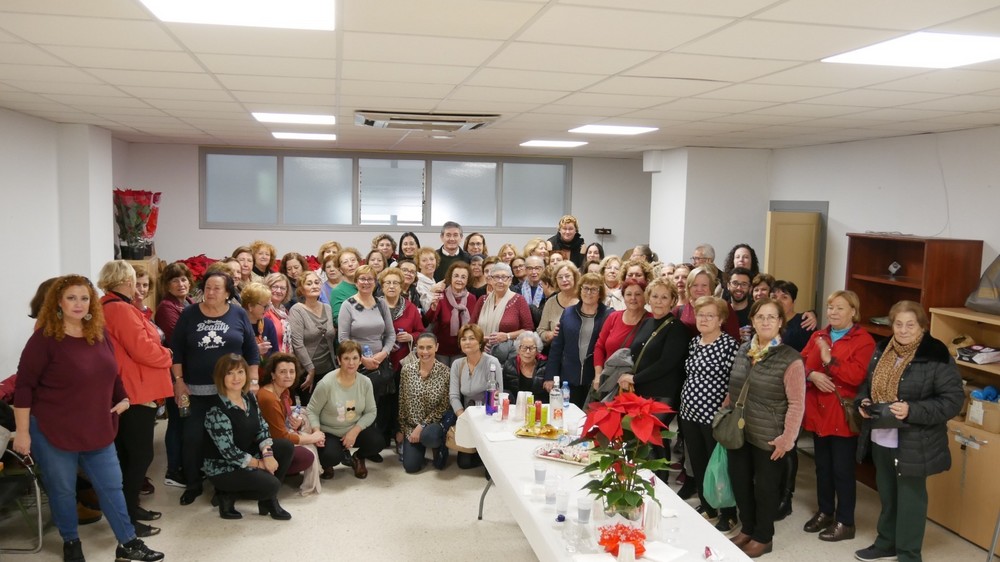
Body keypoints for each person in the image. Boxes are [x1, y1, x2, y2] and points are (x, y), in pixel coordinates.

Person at [12, 275, 164, 562]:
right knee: (63, 490)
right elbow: (24, 387)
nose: (79, 304)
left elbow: (112, 372)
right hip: (53, 429)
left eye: (84, 298)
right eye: (71, 298)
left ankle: (128, 542)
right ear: (58, 302)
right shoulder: (44, 339)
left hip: (97, 426)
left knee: (111, 485)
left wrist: (123, 397)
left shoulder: (99, 333)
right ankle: (71, 542)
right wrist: (22, 432)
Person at [853, 301, 963, 562]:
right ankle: (886, 543)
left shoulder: (936, 355)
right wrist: (863, 403)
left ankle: (909, 554)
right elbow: (865, 386)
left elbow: (953, 400)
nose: (903, 330)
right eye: (898, 324)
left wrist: (912, 410)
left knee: (912, 500)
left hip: (915, 441)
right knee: (888, 494)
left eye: (910, 325)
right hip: (881, 435)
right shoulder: (883, 349)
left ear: (922, 327)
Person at [98, 261, 174, 537]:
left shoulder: (111, 306)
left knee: (130, 456)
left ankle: (130, 508)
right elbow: (144, 349)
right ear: (127, 282)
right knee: (138, 457)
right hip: (135, 391)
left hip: (130, 388)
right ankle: (127, 517)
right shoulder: (119, 309)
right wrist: (168, 355)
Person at [171, 270, 260, 506]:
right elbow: (176, 350)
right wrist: (178, 381)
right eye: (207, 288)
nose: (210, 292)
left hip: (231, 392)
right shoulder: (189, 314)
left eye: (216, 288)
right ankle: (193, 483)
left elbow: (251, 351)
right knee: (192, 438)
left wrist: (253, 382)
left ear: (228, 293)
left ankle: (225, 485)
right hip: (196, 392)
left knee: (231, 439)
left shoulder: (238, 313)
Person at [727, 297, 805, 559]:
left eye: (772, 317)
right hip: (739, 431)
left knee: (765, 488)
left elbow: (797, 404)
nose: (765, 321)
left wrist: (787, 439)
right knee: (740, 482)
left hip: (770, 436)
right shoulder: (743, 350)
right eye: (760, 316)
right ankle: (747, 528)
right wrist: (723, 414)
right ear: (752, 320)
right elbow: (735, 387)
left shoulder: (790, 359)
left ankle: (763, 536)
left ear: (781, 322)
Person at [800, 290, 875, 543]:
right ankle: (825, 512)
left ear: (853, 311)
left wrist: (828, 360)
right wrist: (812, 375)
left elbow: (857, 376)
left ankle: (846, 522)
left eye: (840, 308)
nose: (833, 312)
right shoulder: (819, 334)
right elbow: (799, 362)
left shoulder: (864, 340)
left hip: (842, 415)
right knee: (822, 467)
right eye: (831, 307)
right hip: (818, 413)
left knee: (842, 470)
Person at [203, 354, 293, 521]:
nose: (236, 378)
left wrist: (268, 454)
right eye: (230, 373)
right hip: (223, 467)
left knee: (285, 446)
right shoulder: (216, 409)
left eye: (240, 372)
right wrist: (260, 464)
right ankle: (226, 494)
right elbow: (229, 452)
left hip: (245, 453)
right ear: (220, 377)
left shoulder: (249, 397)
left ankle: (268, 501)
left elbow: (262, 427)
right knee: (271, 484)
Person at [679, 296, 740, 533]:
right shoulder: (694, 342)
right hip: (689, 412)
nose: (703, 319)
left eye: (710, 315)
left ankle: (728, 512)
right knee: (699, 461)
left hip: (715, 416)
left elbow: (734, 382)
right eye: (700, 314)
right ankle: (709, 506)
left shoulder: (729, 345)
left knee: (719, 465)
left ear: (721, 319)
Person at [615, 279, 689, 473]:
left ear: (673, 300)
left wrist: (634, 379)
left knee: (655, 438)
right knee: (639, 439)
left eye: (664, 297)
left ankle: (661, 481)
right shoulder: (647, 322)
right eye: (655, 296)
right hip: (641, 391)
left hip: (662, 394)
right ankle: (642, 477)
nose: (658, 301)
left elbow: (666, 364)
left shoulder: (677, 328)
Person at [338, 265, 396, 451]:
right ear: (356, 282)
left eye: (370, 279)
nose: (366, 282)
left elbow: (391, 335)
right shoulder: (348, 305)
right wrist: (361, 360)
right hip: (356, 365)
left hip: (380, 363)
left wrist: (383, 354)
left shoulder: (381, 304)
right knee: (357, 408)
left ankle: (371, 446)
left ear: (375, 282)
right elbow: (343, 338)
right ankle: (354, 444)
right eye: (362, 279)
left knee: (378, 406)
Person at [307, 340, 383, 480]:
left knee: (378, 441)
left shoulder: (365, 382)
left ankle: (358, 458)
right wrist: (316, 431)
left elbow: (371, 411)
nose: (351, 363)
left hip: (353, 428)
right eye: (346, 358)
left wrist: (355, 431)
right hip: (330, 431)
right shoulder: (326, 383)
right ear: (339, 360)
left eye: (355, 358)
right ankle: (329, 463)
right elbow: (312, 410)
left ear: (361, 360)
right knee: (331, 456)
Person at [256, 353, 325, 495]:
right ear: (273, 375)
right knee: (307, 453)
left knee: (306, 419)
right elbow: (281, 436)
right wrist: (313, 437)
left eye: (291, 371)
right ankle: (277, 474)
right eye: (282, 372)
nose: (288, 375)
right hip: (265, 445)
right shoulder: (268, 398)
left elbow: (289, 417)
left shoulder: (284, 391)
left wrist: (298, 423)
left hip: (280, 434)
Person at [155, 262, 195, 488]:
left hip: (190, 374)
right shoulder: (166, 308)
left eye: (184, 279)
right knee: (178, 422)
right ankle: (173, 470)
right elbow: (181, 339)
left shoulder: (188, 302)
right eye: (175, 280)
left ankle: (184, 465)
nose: (181, 284)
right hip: (177, 376)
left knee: (186, 420)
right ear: (167, 285)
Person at [547, 273, 611, 407]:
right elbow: (557, 347)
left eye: (594, 289)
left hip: (595, 380)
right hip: (568, 379)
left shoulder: (609, 315)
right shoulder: (568, 313)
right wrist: (550, 376)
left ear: (600, 293)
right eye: (585, 288)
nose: (589, 292)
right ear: (580, 290)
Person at [449, 324, 503, 469]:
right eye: (463, 339)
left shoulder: (492, 363)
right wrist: (462, 417)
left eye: (471, 338)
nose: (467, 342)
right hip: (467, 414)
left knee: (490, 467)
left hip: (488, 414)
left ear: (480, 342)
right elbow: (453, 396)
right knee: (464, 463)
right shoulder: (457, 364)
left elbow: (499, 395)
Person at [398, 333, 451, 473]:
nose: (425, 352)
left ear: (436, 347)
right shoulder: (407, 370)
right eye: (421, 347)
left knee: (429, 437)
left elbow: (444, 406)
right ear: (416, 348)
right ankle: (417, 446)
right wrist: (403, 430)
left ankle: (434, 445)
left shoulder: (446, 372)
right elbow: (402, 402)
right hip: (411, 426)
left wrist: (421, 426)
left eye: (429, 347)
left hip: (432, 424)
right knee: (410, 467)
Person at [592, 278, 650, 392]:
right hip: (609, 381)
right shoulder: (613, 317)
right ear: (623, 297)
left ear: (645, 297)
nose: (633, 298)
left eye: (638, 294)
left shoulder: (651, 321)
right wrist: (598, 375)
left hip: (636, 385)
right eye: (628, 294)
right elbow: (599, 347)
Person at [288, 271, 337, 404]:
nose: (314, 286)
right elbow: (297, 343)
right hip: (307, 372)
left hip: (328, 369)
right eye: (309, 284)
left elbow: (331, 337)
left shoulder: (327, 308)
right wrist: (310, 369)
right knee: (310, 412)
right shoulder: (297, 310)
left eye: (317, 282)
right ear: (301, 289)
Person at [471, 262, 534, 362]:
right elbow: (471, 328)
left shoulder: (519, 300)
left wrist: (507, 336)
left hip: (508, 358)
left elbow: (528, 330)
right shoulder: (482, 300)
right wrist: (481, 339)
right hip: (481, 354)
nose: (500, 281)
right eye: (496, 277)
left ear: (510, 280)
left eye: (504, 277)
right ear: (491, 280)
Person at [425, 261, 475, 365]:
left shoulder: (472, 298)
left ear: (467, 280)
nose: (459, 280)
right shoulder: (441, 295)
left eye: (463, 277)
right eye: (456, 276)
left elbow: (473, 325)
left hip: (462, 349)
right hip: (441, 350)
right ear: (450, 278)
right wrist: (433, 307)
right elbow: (429, 320)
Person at [675, 266, 741, 340]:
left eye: (704, 285)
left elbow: (734, 337)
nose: (699, 289)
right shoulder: (678, 311)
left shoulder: (723, 306)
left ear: (711, 287)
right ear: (689, 287)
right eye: (695, 285)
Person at [380, 267, 425, 372]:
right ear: (382, 287)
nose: (391, 286)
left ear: (401, 287)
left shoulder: (410, 308)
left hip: (402, 361)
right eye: (388, 283)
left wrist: (411, 336)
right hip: (378, 358)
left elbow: (421, 332)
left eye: (395, 283)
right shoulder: (374, 307)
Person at [538, 261, 580, 347]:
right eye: (560, 277)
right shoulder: (551, 302)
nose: (564, 280)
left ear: (575, 277)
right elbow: (541, 331)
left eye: (567, 276)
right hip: (556, 350)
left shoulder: (584, 299)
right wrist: (551, 335)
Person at [502, 331, 547, 404]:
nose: (528, 351)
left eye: (532, 348)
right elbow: (504, 390)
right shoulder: (509, 365)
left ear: (537, 351)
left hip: (538, 409)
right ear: (518, 350)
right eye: (523, 347)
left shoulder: (545, 367)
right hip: (515, 408)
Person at [771, 280, 815, 352]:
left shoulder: (805, 322)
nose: (778, 301)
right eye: (774, 297)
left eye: (784, 297)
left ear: (793, 301)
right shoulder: (766, 322)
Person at [241, 283, 278, 362]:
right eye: (265, 306)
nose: (267, 310)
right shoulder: (238, 324)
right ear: (250, 306)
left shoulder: (268, 324)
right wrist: (255, 350)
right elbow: (234, 355)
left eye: (269, 306)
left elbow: (275, 355)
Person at [328, 247, 361, 325]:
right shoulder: (338, 291)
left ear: (359, 263)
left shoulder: (368, 286)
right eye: (345, 262)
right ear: (341, 269)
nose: (350, 264)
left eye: (353, 260)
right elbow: (337, 320)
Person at [263, 272, 292, 353]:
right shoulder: (264, 311)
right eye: (275, 287)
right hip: (271, 360)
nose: (279, 291)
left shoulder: (284, 312)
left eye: (283, 288)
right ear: (267, 288)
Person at [727, 267, 754, 337]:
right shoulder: (721, 311)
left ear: (750, 288)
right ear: (728, 286)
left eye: (744, 284)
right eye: (735, 283)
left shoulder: (756, 312)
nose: (739, 288)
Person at [415, 247, 441, 311]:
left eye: (432, 259)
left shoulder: (432, 280)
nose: (429, 263)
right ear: (419, 265)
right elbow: (427, 309)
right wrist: (432, 291)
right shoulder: (418, 283)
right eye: (424, 260)